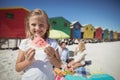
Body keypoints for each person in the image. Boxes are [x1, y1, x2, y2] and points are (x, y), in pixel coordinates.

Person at [15, 8, 62, 80]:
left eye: (41, 25)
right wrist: (27, 61)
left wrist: (52, 57)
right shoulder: (25, 43)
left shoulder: (52, 43)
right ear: (29, 26)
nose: (37, 28)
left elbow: (59, 65)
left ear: (47, 26)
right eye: (33, 24)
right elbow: (17, 68)